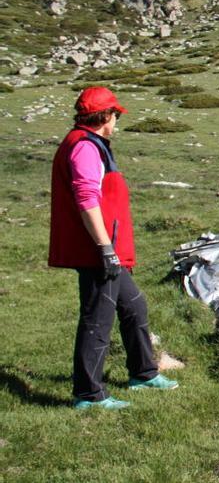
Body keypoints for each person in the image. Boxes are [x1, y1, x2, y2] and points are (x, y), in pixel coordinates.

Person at [49, 87, 178, 410]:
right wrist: (105, 248)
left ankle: (143, 373)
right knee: (97, 320)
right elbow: (86, 199)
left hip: (109, 250)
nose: (117, 120)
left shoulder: (91, 144)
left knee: (135, 307)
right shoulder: (85, 148)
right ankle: (89, 394)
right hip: (98, 251)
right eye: (115, 115)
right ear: (105, 116)